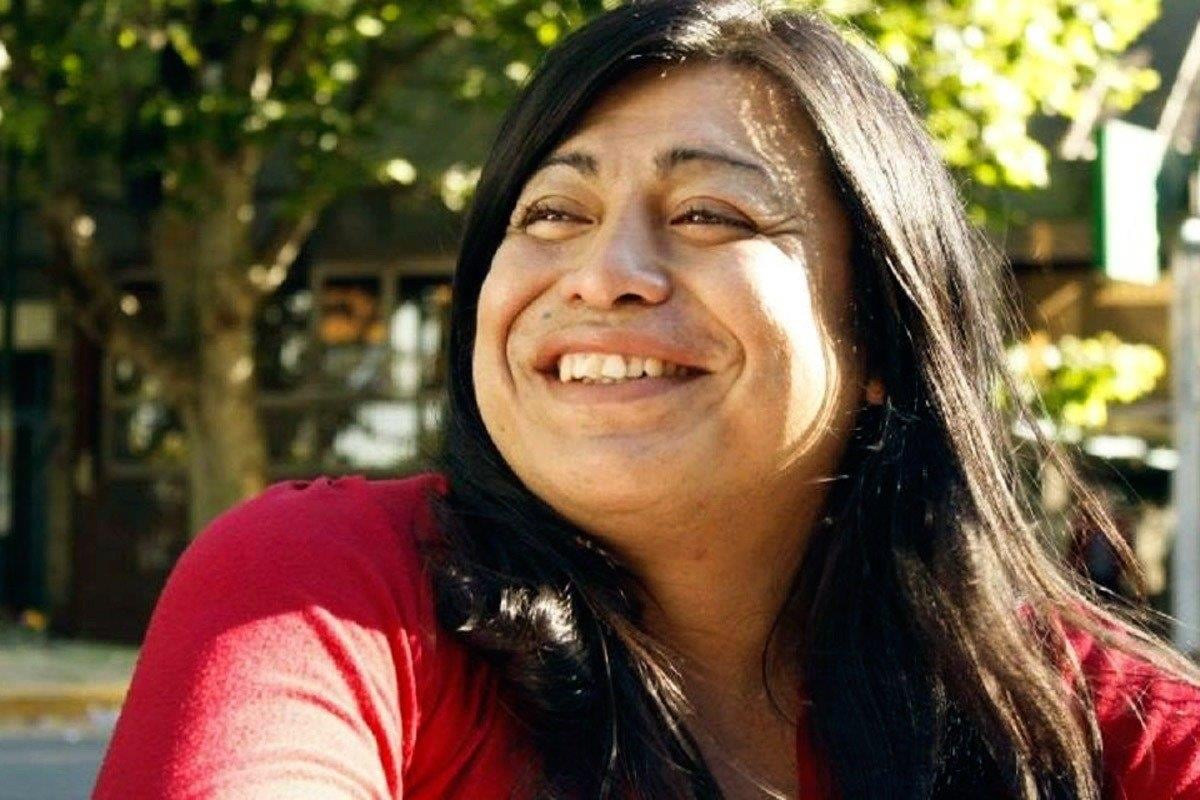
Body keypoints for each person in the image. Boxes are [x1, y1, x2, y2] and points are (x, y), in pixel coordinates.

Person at [93, 1, 1200, 798]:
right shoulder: (326, 581)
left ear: (883, 339)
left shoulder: (1087, 721)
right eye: (552, 215)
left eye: (711, 214)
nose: (603, 273)